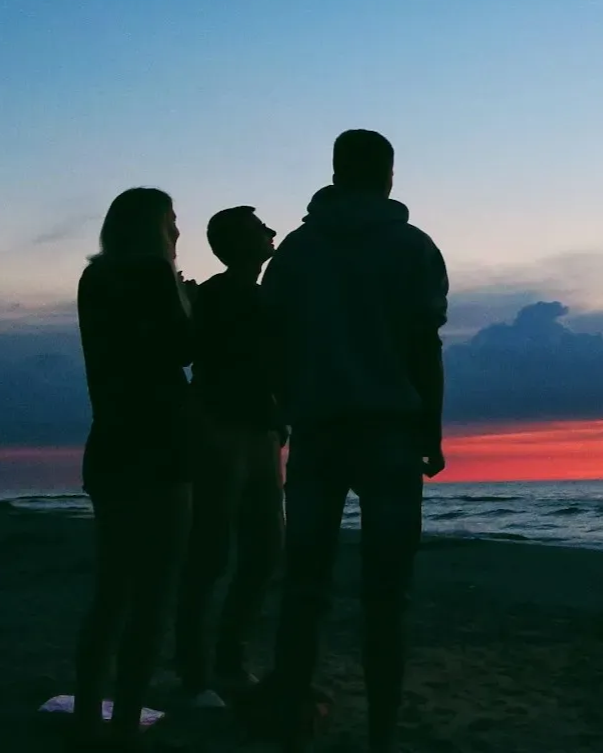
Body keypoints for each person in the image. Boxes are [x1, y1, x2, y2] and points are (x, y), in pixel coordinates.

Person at [253, 130, 448, 753]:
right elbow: (424, 347)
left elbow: (272, 340)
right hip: (390, 432)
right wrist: (431, 429)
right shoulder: (413, 248)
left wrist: (288, 403)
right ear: (388, 176)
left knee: (304, 586)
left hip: (317, 430)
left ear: (337, 173)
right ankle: (381, 735)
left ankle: (290, 720)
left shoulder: (298, 251)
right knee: (387, 595)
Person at [72, 188, 199, 747]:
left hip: (110, 445)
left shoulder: (94, 279)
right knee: (152, 595)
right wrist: (188, 300)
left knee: (111, 591)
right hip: (161, 446)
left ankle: (86, 714)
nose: (178, 231)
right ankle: (125, 719)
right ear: (154, 227)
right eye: (172, 220)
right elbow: (182, 348)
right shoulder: (153, 276)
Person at [173, 206, 284, 705]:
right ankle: (199, 665)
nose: (272, 232)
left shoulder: (255, 296)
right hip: (222, 431)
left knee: (261, 550)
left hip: (259, 432)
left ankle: (223, 658)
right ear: (239, 242)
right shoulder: (218, 296)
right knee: (214, 551)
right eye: (261, 228)